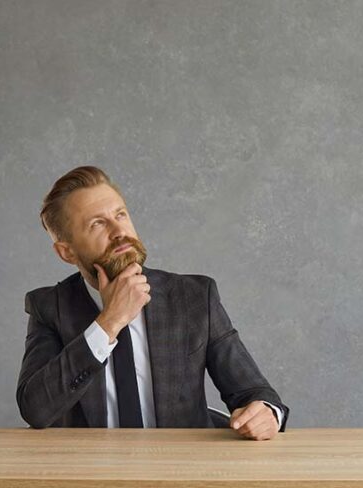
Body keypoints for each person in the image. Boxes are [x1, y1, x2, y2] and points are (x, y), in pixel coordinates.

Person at [16, 166, 289, 440]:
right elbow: (35, 410)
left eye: (120, 215)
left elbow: (255, 393)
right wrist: (110, 322)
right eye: (97, 223)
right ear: (67, 252)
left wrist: (267, 414)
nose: (118, 231)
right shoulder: (49, 307)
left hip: (180, 462)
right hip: (94, 463)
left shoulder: (194, 297)